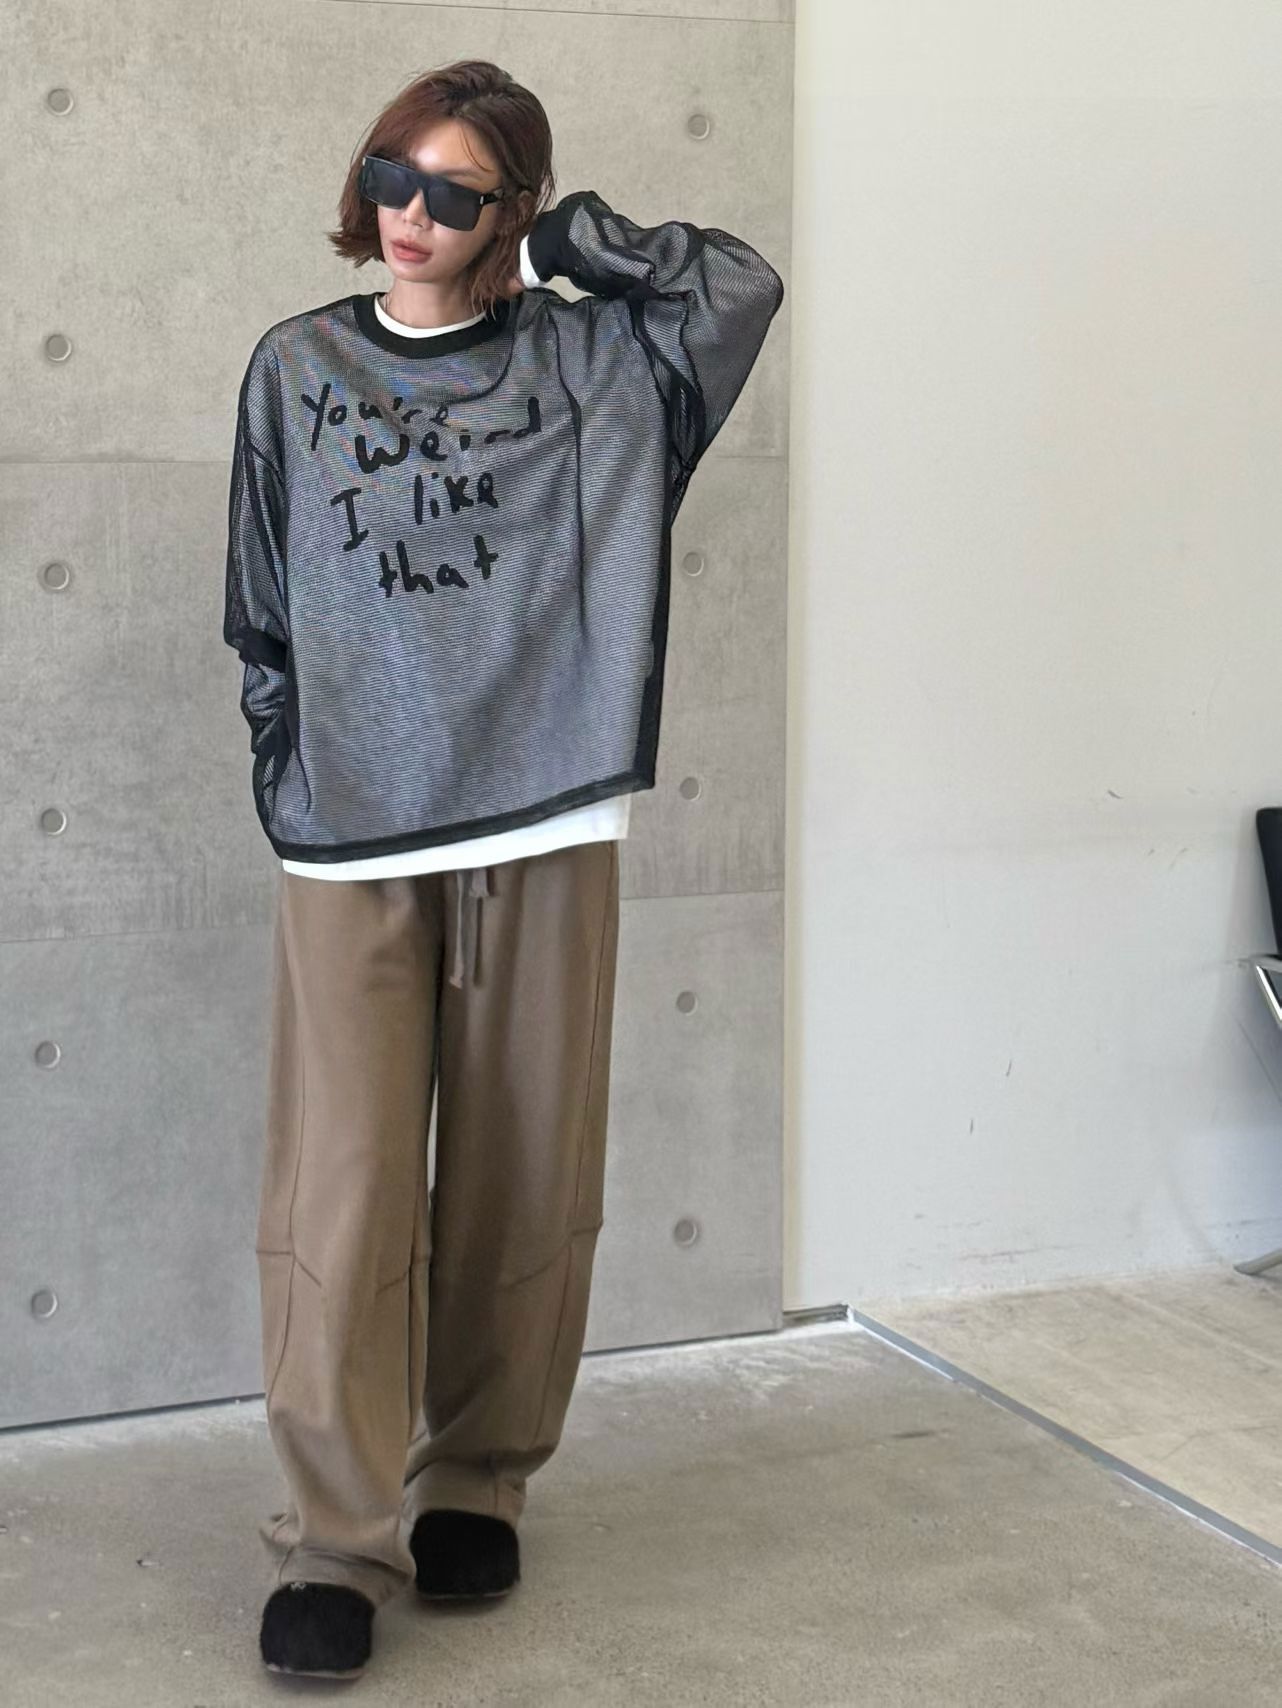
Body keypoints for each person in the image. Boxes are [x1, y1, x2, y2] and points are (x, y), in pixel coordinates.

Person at [223, 57, 784, 1681]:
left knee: (523, 1173)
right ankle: (334, 1540)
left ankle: (475, 1480)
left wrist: (570, 244)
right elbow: (259, 600)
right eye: (390, 177)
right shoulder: (297, 366)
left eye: (455, 192)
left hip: (544, 816)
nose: (410, 215)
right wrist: (289, 771)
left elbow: (734, 286)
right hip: (351, 836)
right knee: (342, 1191)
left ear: (509, 208)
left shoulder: (606, 363)